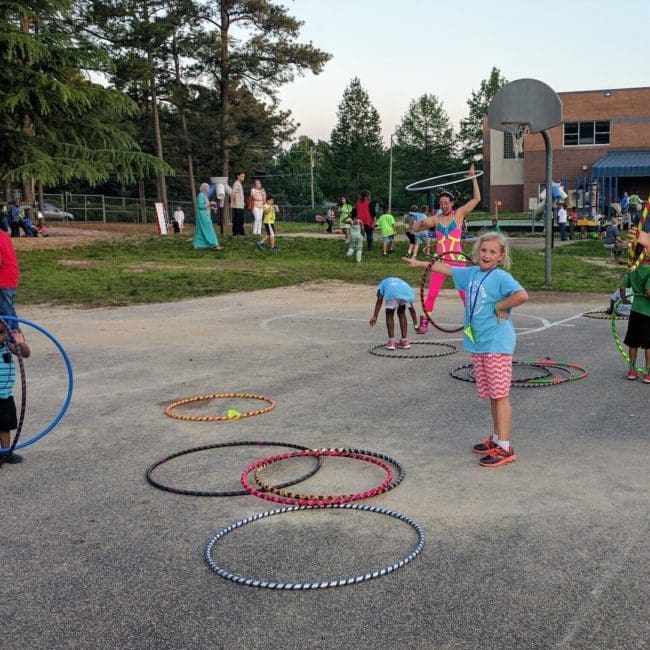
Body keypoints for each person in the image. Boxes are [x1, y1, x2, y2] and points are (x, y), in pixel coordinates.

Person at [404, 231, 528, 466]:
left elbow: (522, 295)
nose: (487, 255)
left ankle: (505, 447)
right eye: (483, 250)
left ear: (501, 256)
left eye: (493, 252)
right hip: (481, 344)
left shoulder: (501, 277)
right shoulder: (471, 273)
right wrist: (419, 263)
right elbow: (447, 269)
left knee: (500, 395)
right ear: (477, 252)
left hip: (497, 343)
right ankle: (495, 438)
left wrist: (501, 305)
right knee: (493, 394)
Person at [411, 164, 481, 334]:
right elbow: (415, 228)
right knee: (432, 293)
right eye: (441, 203)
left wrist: (473, 177)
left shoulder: (459, 215)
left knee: (464, 295)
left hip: (457, 261)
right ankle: (425, 323)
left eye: (447, 202)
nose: (444, 205)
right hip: (441, 261)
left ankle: (471, 325)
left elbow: (476, 199)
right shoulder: (435, 219)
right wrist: (420, 223)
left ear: (452, 203)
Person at [0, 323, 30, 464]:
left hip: (5, 395)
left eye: (2, 333)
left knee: (5, 426)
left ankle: (6, 453)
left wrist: (21, 344)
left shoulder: (7, 346)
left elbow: (25, 354)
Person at [620, 254, 650, 382]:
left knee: (633, 342)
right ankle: (648, 373)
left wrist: (624, 299)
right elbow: (649, 291)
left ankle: (632, 371)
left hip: (635, 310)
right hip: (648, 312)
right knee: (649, 344)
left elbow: (622, 287)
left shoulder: (633, 269)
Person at [369, 277, 418, 350]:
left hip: (392, 294)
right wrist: (416, 325)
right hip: (406, 292)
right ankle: (404, 341)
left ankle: (391, 342)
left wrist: (375, 316)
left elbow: (379, 299)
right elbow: (412, 310)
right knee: (401, 312)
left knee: (389, 314)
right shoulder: (401, 285)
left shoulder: (381, 285)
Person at [0, 229, 20, 332]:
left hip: (3, 281)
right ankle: (18, 343)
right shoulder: (2, 234)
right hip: (10, 278)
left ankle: (8, 344)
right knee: (9, 313)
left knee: (5, 318)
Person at [193, 183, 222, 251]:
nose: (209, 189)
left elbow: (205, 206)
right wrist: (210, 203)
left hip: (205, 215)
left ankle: (197, 244)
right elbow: (201, 206)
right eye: (208, 188)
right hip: (203, 216)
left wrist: (212, 208)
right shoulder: (200, 196)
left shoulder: (204, 196)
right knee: (209, 229)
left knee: (201, 230)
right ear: (204, 188)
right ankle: (215, 244)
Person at [229, 171, 246, 236]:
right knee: (237, 220)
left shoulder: (239, 183)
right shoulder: (236, 183)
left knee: (241, 220)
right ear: (238, 176)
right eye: (242, 176)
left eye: (244, 176)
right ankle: (235, 233)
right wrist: (231, 202)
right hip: (237, 205)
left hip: (241, 205)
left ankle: (241, 232)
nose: (243, 177)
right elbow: (233, 193)